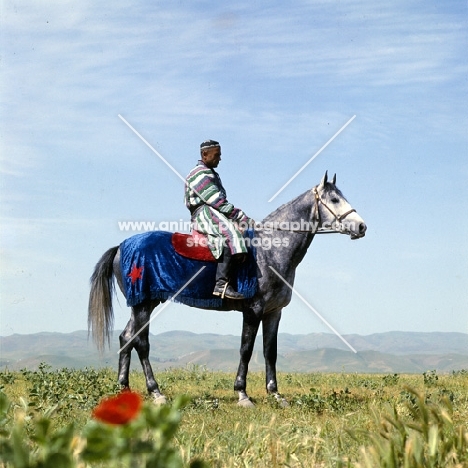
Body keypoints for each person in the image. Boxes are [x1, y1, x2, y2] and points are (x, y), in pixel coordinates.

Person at [184, 140, 254, 300]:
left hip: (212, 211)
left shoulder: (210, 172)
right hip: (204, 212)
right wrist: (241, 217)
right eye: (217, 155)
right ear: (204, 155)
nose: (219, 159)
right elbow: (217, 201)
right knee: (231, 233)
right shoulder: (200, 173)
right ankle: (221, 284)